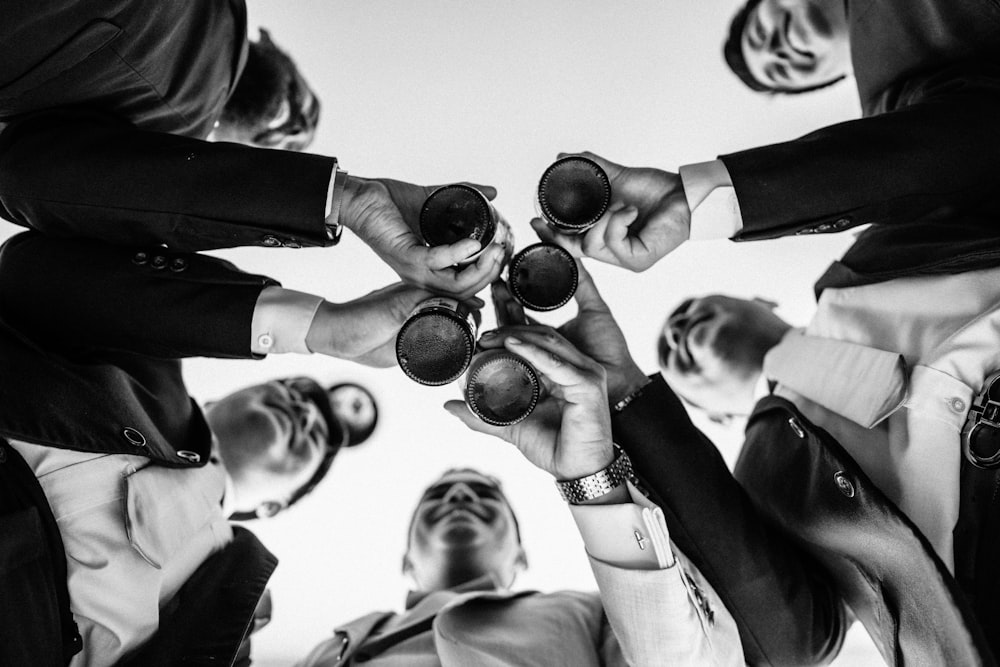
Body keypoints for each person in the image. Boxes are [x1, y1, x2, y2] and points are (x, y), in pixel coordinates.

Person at [0, 231, 432, 665]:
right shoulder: (142, 357)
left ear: (274, 506)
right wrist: (312, 326)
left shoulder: (233, 615)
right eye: (291, 390)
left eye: (318, 437)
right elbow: (26, 270)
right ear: (216, 400)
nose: (305, 410)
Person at [297, 297, 745, 664]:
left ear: (522, 557)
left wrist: (590, 475)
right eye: (436, 496)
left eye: (485, 495)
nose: (458, 494)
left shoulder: (591, 615)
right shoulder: (333, 645)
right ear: (405, 561)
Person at [0, 1, 503, 298]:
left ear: (231, 149)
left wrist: (344, 197)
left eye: (296, 140)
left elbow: (22, 175)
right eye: (310, 106)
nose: (299, 122)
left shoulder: (155, 153)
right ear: (270, 40)